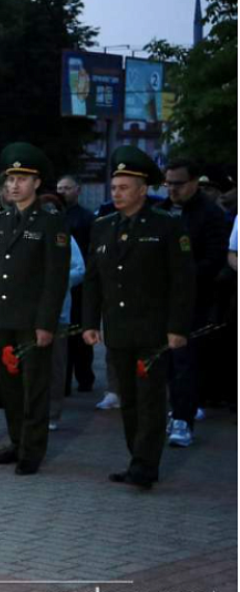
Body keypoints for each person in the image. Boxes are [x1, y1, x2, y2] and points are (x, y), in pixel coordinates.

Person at [83, 146, 195, 490]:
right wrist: (89, 323)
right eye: (114, 187)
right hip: (118, 330)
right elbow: (93, 280)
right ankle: (137, 458)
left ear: (143, 190)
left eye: (124, 187)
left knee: (149, 400)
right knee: (128, 400)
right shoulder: (102, 226)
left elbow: (182, 282)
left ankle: (146, 466)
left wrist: (177, 328)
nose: (117, 193)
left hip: (152, 330)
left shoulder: (166, 225)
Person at [0, 142, 70, 476]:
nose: (14, 185)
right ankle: (16, 442)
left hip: (32, 322)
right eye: (10, 178)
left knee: (34, 388)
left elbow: (55, 279)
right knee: (10, 387)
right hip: (2, 319)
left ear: (37, 182)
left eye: (22, 178)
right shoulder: (0, 222)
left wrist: (46, 323)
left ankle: (32, 450)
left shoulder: (50, 223)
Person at [156, 159, 230, 447]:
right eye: (168, 183)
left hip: (194, 300)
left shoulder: (209, 214)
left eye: (179, 183)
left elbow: (215, 259)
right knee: (167, 363)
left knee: (185, 361)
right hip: (160, 299)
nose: (172, 189)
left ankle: (183, 418)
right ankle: (175, 410)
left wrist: (182, 276)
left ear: (194, 182)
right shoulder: (161, 212)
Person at [39, 194, 86, 431]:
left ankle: (52, 413)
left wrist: (55, 281)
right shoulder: (29, 235)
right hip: (29, 312)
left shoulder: (65, 238)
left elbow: (80, 270)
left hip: (58, 312)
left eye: (53, 210)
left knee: (56, 365)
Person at [57, 174, 96, 395]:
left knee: (80, 334)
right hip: (62, 288)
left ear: (78, 190)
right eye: (59, 188)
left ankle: (85, 378)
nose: (62, 192)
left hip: (80, 285)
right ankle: (62, 382)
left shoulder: (87, 218)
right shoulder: (53, 218)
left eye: (67, 188)